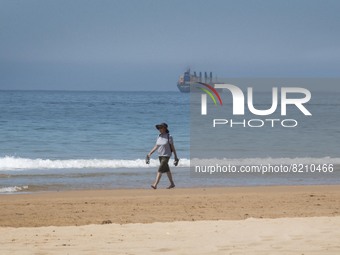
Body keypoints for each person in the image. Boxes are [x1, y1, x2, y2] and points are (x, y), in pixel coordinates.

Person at [147, 122, 179, 189]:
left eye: (161, 127)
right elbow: (156, 146)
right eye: (159, 128)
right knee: (167, 170)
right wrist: (150, 153)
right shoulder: (159, 136)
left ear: (165, 128)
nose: (159, 129)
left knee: (160, 169)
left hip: (167, 155)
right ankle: (172, 184)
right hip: (160, 155)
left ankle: (155, 184)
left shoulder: (169, 136)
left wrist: (175, 157)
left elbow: (172, 147)